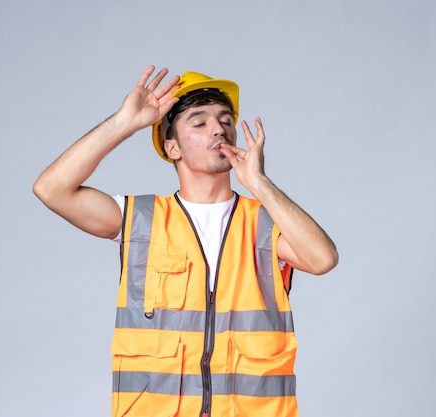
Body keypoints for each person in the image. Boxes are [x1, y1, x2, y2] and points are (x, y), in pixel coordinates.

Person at [33, 65, 338, 417]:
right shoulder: (140, 219)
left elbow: (322, 259)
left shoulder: (265, 222)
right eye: (199, 122)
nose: (219, 128)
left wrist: (259, 184)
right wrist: (125, 122)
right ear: (172, 148)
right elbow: (51, 189)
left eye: (226, 120)